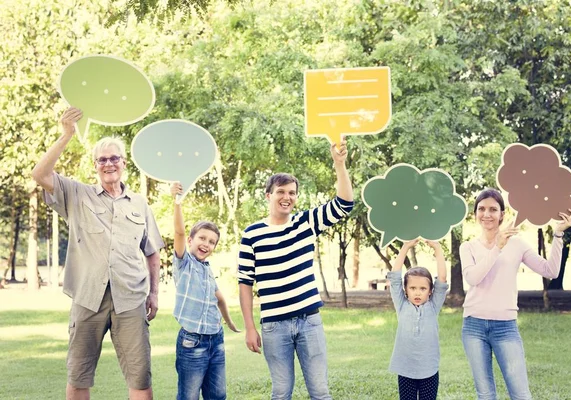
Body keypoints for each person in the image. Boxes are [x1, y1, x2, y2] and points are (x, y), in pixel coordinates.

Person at [31, 107, 164, 400]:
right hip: (88, 298)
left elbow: (152, 252)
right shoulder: (77, 195)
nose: (108, 164)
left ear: (124, 163)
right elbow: (40, 174)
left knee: (140, 377)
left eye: (114, 158)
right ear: (95, 166)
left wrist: (154, 293)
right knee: (79, 375)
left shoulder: (140, 204)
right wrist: (67, 134)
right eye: (102, 159)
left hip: (130, 299)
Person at [237, 139, 354, 400]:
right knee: (280, 392)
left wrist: (339, 162)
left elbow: (345, 203)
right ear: (268, 195)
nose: (286, 197)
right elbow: (245, 283)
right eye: (280, 192)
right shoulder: (252, 235)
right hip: (273, 326)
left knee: (320, 392)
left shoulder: (305, 223)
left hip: (309, 321)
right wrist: (249, 327)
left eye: (291, 192)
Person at [459, 188, 571, 400]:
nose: (487, 214)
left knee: (521, 394)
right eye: (482, 209)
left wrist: (558, 233)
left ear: (502, 214)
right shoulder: (468, 247)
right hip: (473, 326)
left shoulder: (518, 244)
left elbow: (551, 271)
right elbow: (473, 278)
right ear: (475, 213)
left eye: (493, 209)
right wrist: (497, 247)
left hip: (505, 326)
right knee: (485, 394)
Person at [170, 182, 240, 400]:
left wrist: (228, 322)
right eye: (202, 238)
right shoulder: (184, 263)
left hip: (216, 340)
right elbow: (179, 231)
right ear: (191, 240)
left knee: (217, 395)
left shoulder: (207, 269)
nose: (206, 244)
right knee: (189, 396)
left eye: (212, 242)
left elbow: (219, 298)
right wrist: (177, 203)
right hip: (192, 343)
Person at [387, 239, 448, 400]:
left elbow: (442, 278)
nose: (418, 293)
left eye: (423, 288)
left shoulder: (433, 306)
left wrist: (437, 248)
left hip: (429, 369)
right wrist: (406, 246)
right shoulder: (401, 305)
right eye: (413, 288)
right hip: (405, 368)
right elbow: (394, 277)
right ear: (405, 290)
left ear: (430, 291)